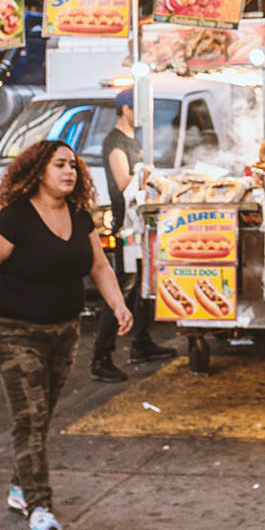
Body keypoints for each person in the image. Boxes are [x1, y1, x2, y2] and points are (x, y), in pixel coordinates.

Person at [0, 140, 129, 530]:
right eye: (59, 165)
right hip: (15, 333)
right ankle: (41, 512)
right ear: (39, 170)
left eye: (73, 166)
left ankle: (21, 487)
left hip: (64, 331)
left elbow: (99, 267)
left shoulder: (79, 216)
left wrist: (118, 304)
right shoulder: (13, 220)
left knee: (41, 418)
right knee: (30, 419)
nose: (69, 172)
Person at [91, 87, 174, 381]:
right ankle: (101, 357)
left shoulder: (131, 140)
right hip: (124, 228)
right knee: (120, 290)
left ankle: (141, 342)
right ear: (126, 109)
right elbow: (123, 180)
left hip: (138, 224)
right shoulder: (115, 142)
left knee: (142, 286)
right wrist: (146, 174)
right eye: (138, 108)